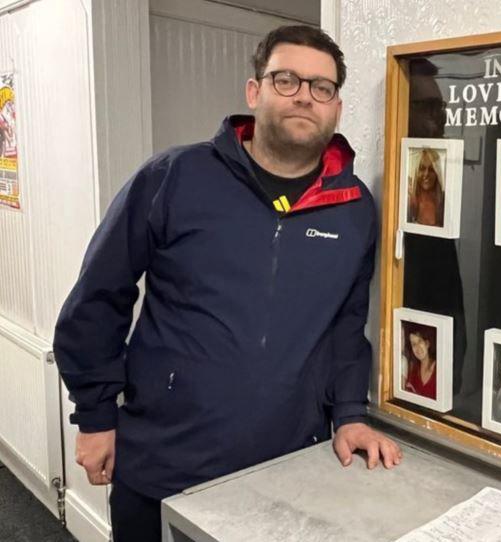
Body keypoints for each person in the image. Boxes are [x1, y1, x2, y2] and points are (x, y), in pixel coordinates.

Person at [53, 25, 401, 542]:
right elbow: (98, 296)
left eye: (322, 87)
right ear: (253, 91)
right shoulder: (174, 177)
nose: (305, 95)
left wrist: (349, 413)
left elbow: (346, 327)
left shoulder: (353, 209)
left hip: (285, 472)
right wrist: (96, 415)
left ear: (336, 107)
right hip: (164, 465)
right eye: (287, 80)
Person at [407, 148, 444, 227]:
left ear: (437, 172)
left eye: (431, 169)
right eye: (422, 168)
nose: (426, 174)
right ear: (416, 171)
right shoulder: (408, 200)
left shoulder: (444, 201)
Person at [402, 322, 437, 400]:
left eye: (420, 341)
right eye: (414, 344)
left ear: (427, 343)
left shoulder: (438, 369)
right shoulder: (413, 369)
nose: (417, 347)